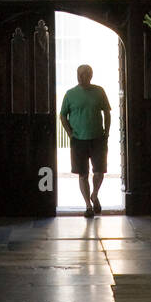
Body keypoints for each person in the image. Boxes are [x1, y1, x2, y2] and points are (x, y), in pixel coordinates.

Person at [59, 64, 111, 217]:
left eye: (84, 74)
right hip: (78, 140)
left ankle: (94, 194)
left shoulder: (99, 91)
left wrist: (106, 133)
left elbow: (107, 113)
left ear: (91, 76)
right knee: (82, 174)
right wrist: (70, 133)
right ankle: (88, 206)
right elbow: (62, 115)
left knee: (99, 172)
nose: (81, 77)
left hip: (98, 138)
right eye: (79, 74)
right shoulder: (70, 94)